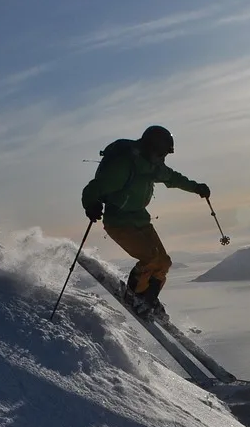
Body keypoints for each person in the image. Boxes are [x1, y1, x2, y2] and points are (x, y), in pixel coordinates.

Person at [81, 125, 210, 318]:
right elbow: (95, 188)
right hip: (118, 222)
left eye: (165, 154)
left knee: (163, 262)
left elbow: (173, 178)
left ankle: (149, 298)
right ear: (151, 148)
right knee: (150, 258)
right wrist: (91, 205)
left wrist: (196, 187)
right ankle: (135, 295)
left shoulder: (152, 166)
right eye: (161, 153)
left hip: (140, 219)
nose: (163, 158)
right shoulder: (125, 166)